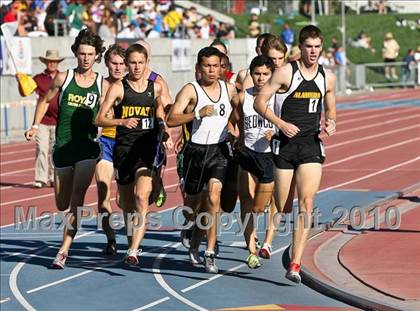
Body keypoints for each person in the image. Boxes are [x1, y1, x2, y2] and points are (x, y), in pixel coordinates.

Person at [254, 25, 337, 284]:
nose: (313, 52)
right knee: (282, 203)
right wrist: (280, 124)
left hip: (311, 146)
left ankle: (295, 263)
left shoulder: (328, 77)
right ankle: (269, 235)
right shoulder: (286, 72)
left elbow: (331, 108)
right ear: (300, 48)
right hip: (285, 146)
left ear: (321, 48)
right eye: (308, 47)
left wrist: (332, 122)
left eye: (317, 47)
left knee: (307, 204)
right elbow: (259, 102)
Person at [24, 29, 106, 269]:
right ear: (76, 54)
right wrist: (35, 125)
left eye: (91, 54)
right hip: (62, 148)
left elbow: (114, 106)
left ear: (96, 56)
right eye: (82, 54)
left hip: (87, 149)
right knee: (62, 203)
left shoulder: (103, 83)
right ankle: (68, 210)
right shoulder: (63, 78)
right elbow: (44, 100)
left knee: (77, 200)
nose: (86, 59)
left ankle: (63, 251)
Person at [96, 43, 167, 266]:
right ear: (127, 64)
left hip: (145, 148)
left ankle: (134, 250)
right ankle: (130, 241)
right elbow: (98, 119)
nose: (136, 67)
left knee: (141, 196)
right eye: (133, 63)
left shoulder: (155, 88)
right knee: (125, 203)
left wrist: (165, 130)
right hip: (123, 150)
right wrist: (121, 121)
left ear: (147, 63)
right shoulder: (118, 88)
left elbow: (163, 114)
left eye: (140, 62)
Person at [167, 47, 236, 273]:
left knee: (214, 199)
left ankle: (209, 251)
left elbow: (242, 112)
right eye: (207, 66)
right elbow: (171, 119)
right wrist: (197, 114)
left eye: (216, 66)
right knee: (193, 209)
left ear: (221, 68)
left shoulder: (229, 89)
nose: (212, 70)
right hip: (195, 153)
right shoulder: (191, 90)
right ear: (199, 68)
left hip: (219, 151)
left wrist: (237, 130)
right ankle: (192, 234)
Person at [232, 55, 276, 269]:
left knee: (259, 207)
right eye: (256, 74)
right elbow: (231, 123)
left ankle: (259, 239)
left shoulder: (277, 98)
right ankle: (251, 251)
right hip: (247, 155)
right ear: (251, 74)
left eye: (265, 74)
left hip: (268, 156)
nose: (260, 78)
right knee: (246, 202)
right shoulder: (242, 97)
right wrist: (237, 137)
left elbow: (287, 125)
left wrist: (274, 132)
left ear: (272, 75)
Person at [95, 44, 126, 256]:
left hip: (126, 145)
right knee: (102, 193)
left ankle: (133, 240)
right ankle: (111, 239)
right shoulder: (98, 85)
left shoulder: (131, 85)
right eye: (114, 63)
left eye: (121, 64)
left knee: (125, 200)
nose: (118, 68)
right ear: (107, 63)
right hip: (105, 142)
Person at [27, 50, 64, 188]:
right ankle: (40, 178)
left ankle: (55, 177)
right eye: (50, 61)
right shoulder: (38, 78)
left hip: (59, 120)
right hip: (42, 121)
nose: (52, 63)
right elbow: (25, 91)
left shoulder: (62, 77)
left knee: (56, 150)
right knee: (41, 148)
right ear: (45, 62)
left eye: (55, 61)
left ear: (58, 62)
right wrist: (21, 81)